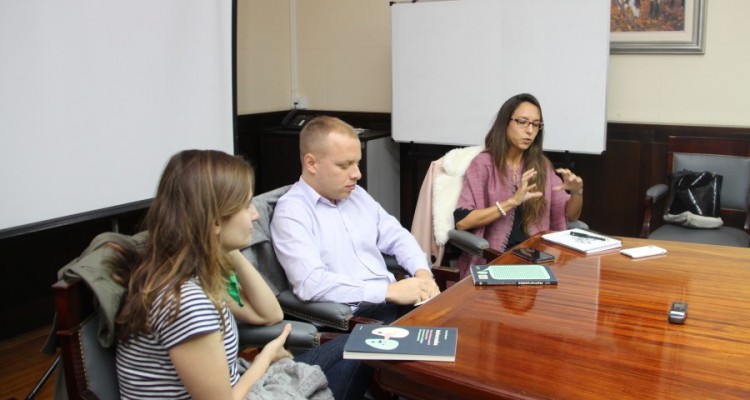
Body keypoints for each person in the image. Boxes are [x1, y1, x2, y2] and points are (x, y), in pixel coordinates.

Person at [113, 149, 371, 400]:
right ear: (215, 220)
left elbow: (269, 314)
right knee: (364, 352)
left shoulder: (186, 274)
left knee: (363, 347)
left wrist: (225, 247)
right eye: (246, 205)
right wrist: (265, 359)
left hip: (239, 380)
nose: (255, 214)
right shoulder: (186, 301)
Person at [270, 116, 440, 323]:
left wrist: (422, 274)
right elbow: (311, 283)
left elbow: (397, 237)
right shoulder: (292, 212)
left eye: (357, 163)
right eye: (345, 165)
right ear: (311, 163)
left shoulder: (357, 195)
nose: (357, 174)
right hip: (353, 318)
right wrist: (387, 291)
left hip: (392, 302)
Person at [453, 93, 584, 278]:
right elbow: (463, 222)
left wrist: (577, 192)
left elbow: (570, 216)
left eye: (536, 124)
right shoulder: (483, 164)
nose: (530, 130)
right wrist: (512, 201)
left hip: (537, 256)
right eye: (522, 122)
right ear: (505, 123)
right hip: (495, 259)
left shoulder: (541, 165)